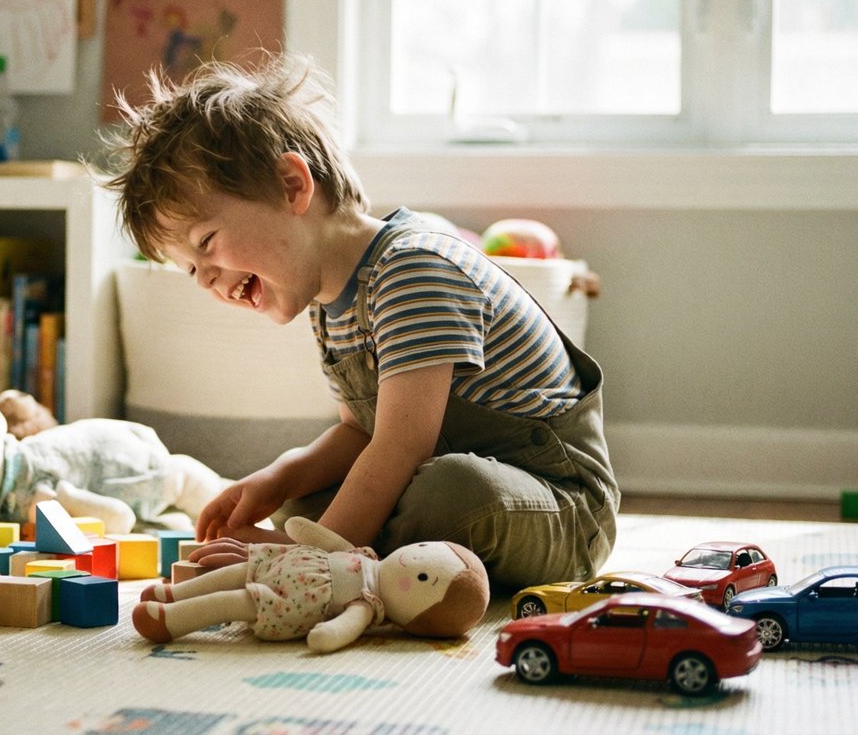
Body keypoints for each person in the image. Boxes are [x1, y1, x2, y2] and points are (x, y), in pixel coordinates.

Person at [96, 54, 618, 588]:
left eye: (206, 243)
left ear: (292, 185)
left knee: (449, 491)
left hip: (560, 509)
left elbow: (401, 445)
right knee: (300, 502)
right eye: (190, 269)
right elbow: (359, 433)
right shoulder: (329, 303)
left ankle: (338, 564)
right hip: (450, 474)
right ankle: (361, 558)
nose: (205, 278)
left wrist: (309, 557)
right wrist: (278, 479)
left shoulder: (414, 269)